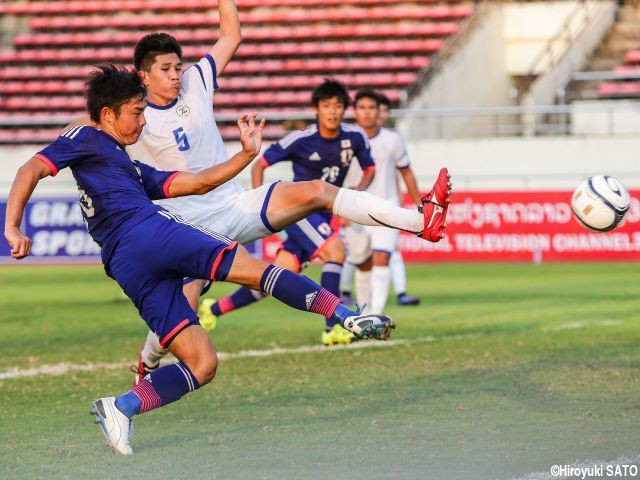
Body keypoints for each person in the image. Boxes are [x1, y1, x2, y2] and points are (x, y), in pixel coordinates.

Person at [3, 66, 397, 455]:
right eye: (137, 112)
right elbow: (32, 166)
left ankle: (121, 408)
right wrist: (13, 226)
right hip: (149, 232)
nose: (143, 122)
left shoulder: (126, 165)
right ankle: (345, 315)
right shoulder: (87, 136)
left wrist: (245, 155)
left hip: (127, 265)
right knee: (252, 269)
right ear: (108, 114)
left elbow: (194, 183)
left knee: (203, 364)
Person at [125, 27, 452, 377]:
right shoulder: (129, 113)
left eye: (178, 67)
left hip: (234, 206)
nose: (176, 75)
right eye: (166, 69)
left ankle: (420, 222)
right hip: (187, 233)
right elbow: (89, 128)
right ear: (143, 76)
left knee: (315, 192)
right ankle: (147, 361)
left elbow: (231, 35)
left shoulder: (196, 81)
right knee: (180, 314)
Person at [206, 79, 376, 347]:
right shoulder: (302, 139)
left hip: (325, 215)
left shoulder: (354, 138)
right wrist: (265, 201)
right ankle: (334, 327)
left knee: (270, 280)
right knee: (336, 252)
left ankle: (212, 310)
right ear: (316, 109)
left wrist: (358, 191)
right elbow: (260, 163)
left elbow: (370, 169)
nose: (332, 111)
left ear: (344, 109)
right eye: (326, 106)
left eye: (338, 106)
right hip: (299, 212)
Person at [341, 89, 424, 314]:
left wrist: (420, 206)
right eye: (362, 108)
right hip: (355, 210)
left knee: (382, 258)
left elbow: (407, 173)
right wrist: (338, 209)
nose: (367, 113)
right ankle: (364, 313)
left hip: (387, 207)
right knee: (362, 263)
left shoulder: (393, 139)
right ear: (355, 111)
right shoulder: (346, 138)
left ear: (379, 112)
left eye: (371, 108)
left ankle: (375, 315)